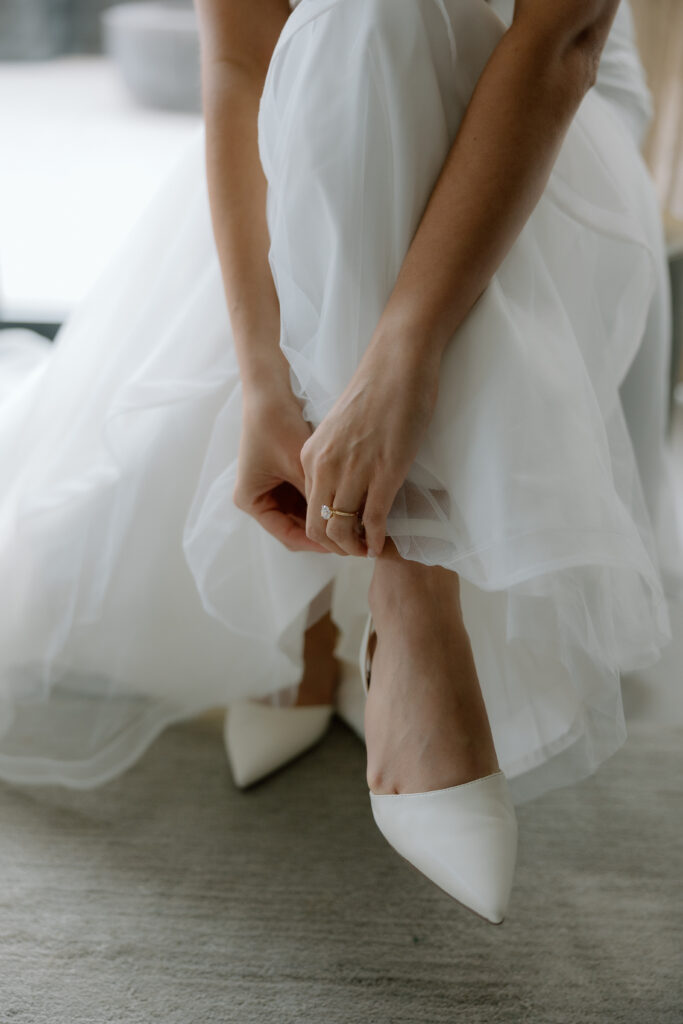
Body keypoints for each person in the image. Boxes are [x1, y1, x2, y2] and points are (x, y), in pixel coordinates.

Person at [0, 0, 680, 922]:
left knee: (383, 18)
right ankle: (338, 602)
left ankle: (403, 585)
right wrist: (261, 383)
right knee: (356, 31)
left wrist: (406, 358)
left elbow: (562, 36)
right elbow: (242, 64)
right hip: (316, 137)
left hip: (550, 127)